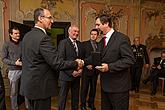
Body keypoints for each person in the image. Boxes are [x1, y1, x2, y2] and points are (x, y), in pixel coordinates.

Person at [20, 8, 83, 110]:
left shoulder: (27, 36)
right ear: (40, 18)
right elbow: (56, 63)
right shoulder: (43, 38)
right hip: (40, 88)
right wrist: (76, 63)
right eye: (49, 18)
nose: (52, 21)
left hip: (29, 86)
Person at [94, 14, 135, 110]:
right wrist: (82, 62)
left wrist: (109, 67)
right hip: (105, 86)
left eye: (98, 24)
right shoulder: (101, 41)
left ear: (106, 23)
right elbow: (96, 57)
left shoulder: (122, 39)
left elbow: (129, 60)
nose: (96, 27)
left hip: (119, 88)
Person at [58, 25, 84, 110]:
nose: (76, 33)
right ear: (69, 32)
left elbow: (81, 60)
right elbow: (61, 61)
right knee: (62, 98)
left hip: (77, 76)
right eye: (74, 31)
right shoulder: (63, 43)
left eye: (77, 32)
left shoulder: (80, 44)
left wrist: (80, 70)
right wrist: (71, 72)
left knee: (75, 98)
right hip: (65, 76)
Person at [1, 27, 23, 110]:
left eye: (19, 33)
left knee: (25, 90)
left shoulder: (22, 43)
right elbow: (3, 59)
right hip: (13, 71)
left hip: (24, 70)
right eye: (16, 33)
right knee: (14, 92)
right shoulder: (6, 44)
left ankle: (28, 107)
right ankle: (14, 108)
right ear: (11, 34)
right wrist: (15, 63)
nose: (18, 35)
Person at [80, 29, 99, 110]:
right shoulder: (84, 44)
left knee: (93, 89)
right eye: (92, 34)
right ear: (90, 35)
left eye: (95, 34)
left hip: (95, 71)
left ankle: (91, 103)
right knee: (84, 89)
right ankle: (82, 105)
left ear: (97, 36)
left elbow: (99, 57)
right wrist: (86, 65)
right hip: (86, 71)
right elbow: (81, 57)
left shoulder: (99, 45)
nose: (93, 36)